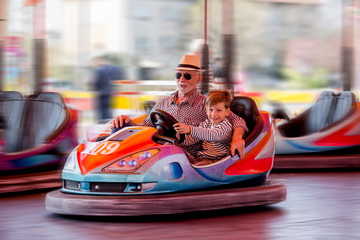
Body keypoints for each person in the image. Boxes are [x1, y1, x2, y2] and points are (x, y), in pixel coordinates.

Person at [112, 54, 248, 158]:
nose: (181, 80)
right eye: (179, 75)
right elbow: (146, 127)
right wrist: (128, 123)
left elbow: (237, 120)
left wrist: (237, 137)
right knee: (117, 129)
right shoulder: (163, 102)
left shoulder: (207, 105)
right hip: (157, 152)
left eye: (187, 76)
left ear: (199, 79)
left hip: (185, 157)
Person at [173, 90, 233, 166]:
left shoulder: (225, 127)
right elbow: (193, 139)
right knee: (178, 153)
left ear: (227, 112)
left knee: (195, 167)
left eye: (219, 110)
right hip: (201, 158)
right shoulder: (207, 123)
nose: (214, 114)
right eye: (210, 110)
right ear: (206, 110)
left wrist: (189, 129)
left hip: (216, 162)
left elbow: (211, 135)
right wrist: (177, 138)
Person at [92, 55, 125, 122]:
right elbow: (120, 78)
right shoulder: (115, 69)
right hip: (111, 94)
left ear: (100, 60)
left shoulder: (99, 70)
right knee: (109, 114)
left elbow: (95, 83)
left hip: (102, 95)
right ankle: (108, 128)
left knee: (102, 115)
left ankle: (102, 128)